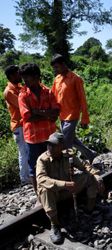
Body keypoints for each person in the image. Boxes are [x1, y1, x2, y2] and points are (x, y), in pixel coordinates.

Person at [36, 132, 104, 244]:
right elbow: (41, 179)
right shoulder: (42, 160)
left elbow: (84, 165)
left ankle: (90, 208)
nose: (50, 147)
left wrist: (97, 176)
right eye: (49, 144)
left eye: (53, 145)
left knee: (90, 177)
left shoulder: (68, 155)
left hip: (69, 190)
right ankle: (55, 225)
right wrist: (64, 184)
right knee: (44, 189)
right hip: (55, 193)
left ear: (62, 147)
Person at [18, 63, 60, 193]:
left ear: (36, 77)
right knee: (34, 166)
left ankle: (54, 190)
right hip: (33, 138)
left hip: (49, 136)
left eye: (27, 78)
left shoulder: (48, 92)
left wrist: (38, 112)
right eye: (24, 78)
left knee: (52, 163)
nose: (25, 81)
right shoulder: (23, 95)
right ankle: (39, 194)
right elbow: (28, 117)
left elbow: (56, 112)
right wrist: (47, 114)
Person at [50, 54, 97, 163]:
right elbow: (53, 96)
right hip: (62, 115)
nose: (55, 70)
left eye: (57, 67)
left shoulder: (76, 78)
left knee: (65, 143)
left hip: (72, 115)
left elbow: (82, 99)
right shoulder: (57, 79)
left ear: (63, 64)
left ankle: (66, 166)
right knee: (73, 140)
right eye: (54, 68)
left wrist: (84, 118)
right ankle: (90, 154)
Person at [3, 65, 30, 185]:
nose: (20, 75)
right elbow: (22, 106)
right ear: (11, 76)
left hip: (23, 124)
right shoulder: (9, 91)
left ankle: (27, 176)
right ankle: (24, 178)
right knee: (23, 152)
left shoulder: (19, 87)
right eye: (18, 73)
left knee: (27, 150)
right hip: (19, 125)